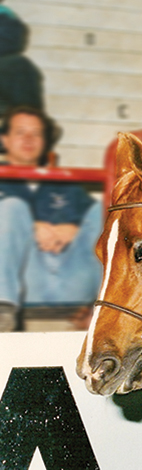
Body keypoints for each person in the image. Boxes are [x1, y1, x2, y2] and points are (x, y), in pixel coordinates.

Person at [0, 106, 102, 331]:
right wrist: (30, 226)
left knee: (103, 211)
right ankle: (2, 310)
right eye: (20, 132)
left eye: (35, 133)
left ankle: (105, 309)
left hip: (70, 280)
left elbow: (94, 227)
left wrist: (73, 229)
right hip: (24, 286)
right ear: (5, 139)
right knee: (11, 208)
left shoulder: (63, 182)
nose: (28, 139)